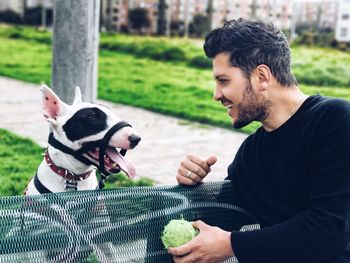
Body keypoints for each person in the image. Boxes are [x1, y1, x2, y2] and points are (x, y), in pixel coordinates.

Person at [167, 19, 350, 263]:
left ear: (262, 76)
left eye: (224, 81)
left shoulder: (334, 120)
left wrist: (232, 244)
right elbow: (225, 215)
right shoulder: (251, 152)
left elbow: (330, 229)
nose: (216, 95)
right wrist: (193, 186)